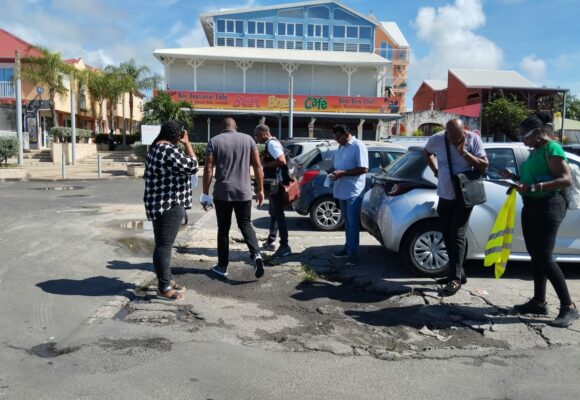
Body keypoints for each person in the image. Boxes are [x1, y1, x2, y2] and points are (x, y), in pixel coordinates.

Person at [501, 112, 577, 327]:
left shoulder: (552, 148)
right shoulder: (536, 151)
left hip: (549, 206)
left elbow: (565, 179)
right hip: (532, 205)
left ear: (538, 133)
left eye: (524, 135)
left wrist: (533, 187)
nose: (522, 139)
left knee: (545, 257)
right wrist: (514, 178)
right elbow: (531, 179)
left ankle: (568, 307)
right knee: (535, 256)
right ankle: (539, 301)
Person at [424, 119, 488, 296]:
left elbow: (484, 166)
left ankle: (455, 279)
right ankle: (457, 272)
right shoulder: (437, 139)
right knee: (446, 233)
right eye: (452, 137)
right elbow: (426, 152)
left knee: (458, 234)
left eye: (459, 136)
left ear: (464, 131)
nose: (455, 140)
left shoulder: (473, 140)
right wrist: (436, 170)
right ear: (446, 133)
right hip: (445, 194)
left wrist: (464, 152)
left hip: (464, 195)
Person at [202, 117, 265, 278]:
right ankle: (256, 254)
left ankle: (222, 266)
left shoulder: (214, 141)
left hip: (223, 193)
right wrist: (260, 189)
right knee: (245, 224)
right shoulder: (249, 139)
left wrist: (205, 193)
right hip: (244, 192)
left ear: (220, 128)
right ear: (236, 126)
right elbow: (257, 165)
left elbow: (208, 168)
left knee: (223, 229)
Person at [143, 120, 198, 300]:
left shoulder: (155, 149)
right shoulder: (167, 150)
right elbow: (193, 166)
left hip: (158, 203)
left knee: (162, 245)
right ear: (177, 134)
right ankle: (164, 287)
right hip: (168, 204)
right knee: (164, 246)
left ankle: (166, 279)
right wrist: (187, 143)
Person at [329, 124, 369, 266]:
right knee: (347, 222)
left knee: (353, 223)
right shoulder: (341, 146)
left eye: (339, 137)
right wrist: (333, 170)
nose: (337, 140)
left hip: (353, 191)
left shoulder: (358, 146)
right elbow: (341, 164)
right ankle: (348, 248)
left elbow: (364, 168)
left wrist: (343, 173)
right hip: (342, 190)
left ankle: (352, 253)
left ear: (347, 134)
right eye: (336, 138)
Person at [254, 123, 292, 259]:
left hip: (276, 184)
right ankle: (271, 240)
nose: (256, 138)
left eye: (257, 135)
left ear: (264, 133)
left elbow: (281, 161)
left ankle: (285, 245)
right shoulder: (272, 143)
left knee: (279, 214)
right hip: (274, 184)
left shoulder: (271, 144)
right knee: (274, 213)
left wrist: (265, 164)